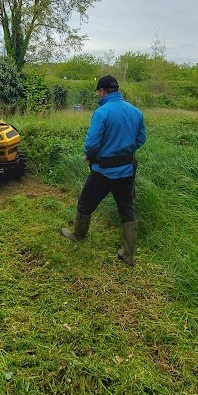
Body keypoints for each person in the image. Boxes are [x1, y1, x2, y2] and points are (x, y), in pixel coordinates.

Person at [60, 75, 146, 266]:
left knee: (85, 203)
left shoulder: (102, 112)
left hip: (103, 171)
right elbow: (141, 139)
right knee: (126, 207)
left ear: (101, 91)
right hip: (126, 170)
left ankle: (78, 235)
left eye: (98, 93)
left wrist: (93, 155)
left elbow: (91, 145)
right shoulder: (136, 112)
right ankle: (129, 255)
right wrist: (124, 152)